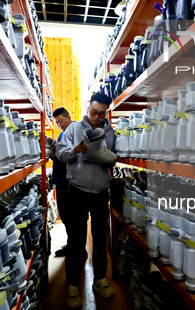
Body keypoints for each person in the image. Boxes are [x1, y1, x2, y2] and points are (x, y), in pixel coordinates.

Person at [56, 92, 116, 309]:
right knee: (76, 240)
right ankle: (72, 285)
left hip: (100, 192)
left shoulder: (110, 132)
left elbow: (113, 158)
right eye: (93, 112)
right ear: (87, 108)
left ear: (106, 112)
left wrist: (108, 159)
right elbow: (60, 154)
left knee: (100, 238)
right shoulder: (73, 129)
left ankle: (100, 280)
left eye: (102, 113)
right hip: (78, 191)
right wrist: (74, 150)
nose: (97, 117)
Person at [51, 107, 73, 257]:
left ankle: (76, 248)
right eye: (57, 123)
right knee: (65, 215)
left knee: (69, 215)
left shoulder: (74, 132)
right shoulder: (63, 134)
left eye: (61, 121)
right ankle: (73, 245)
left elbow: (68, 157)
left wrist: (54, 154)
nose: (59, 124)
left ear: (68, 117)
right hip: (62, 180)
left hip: (68, 181)